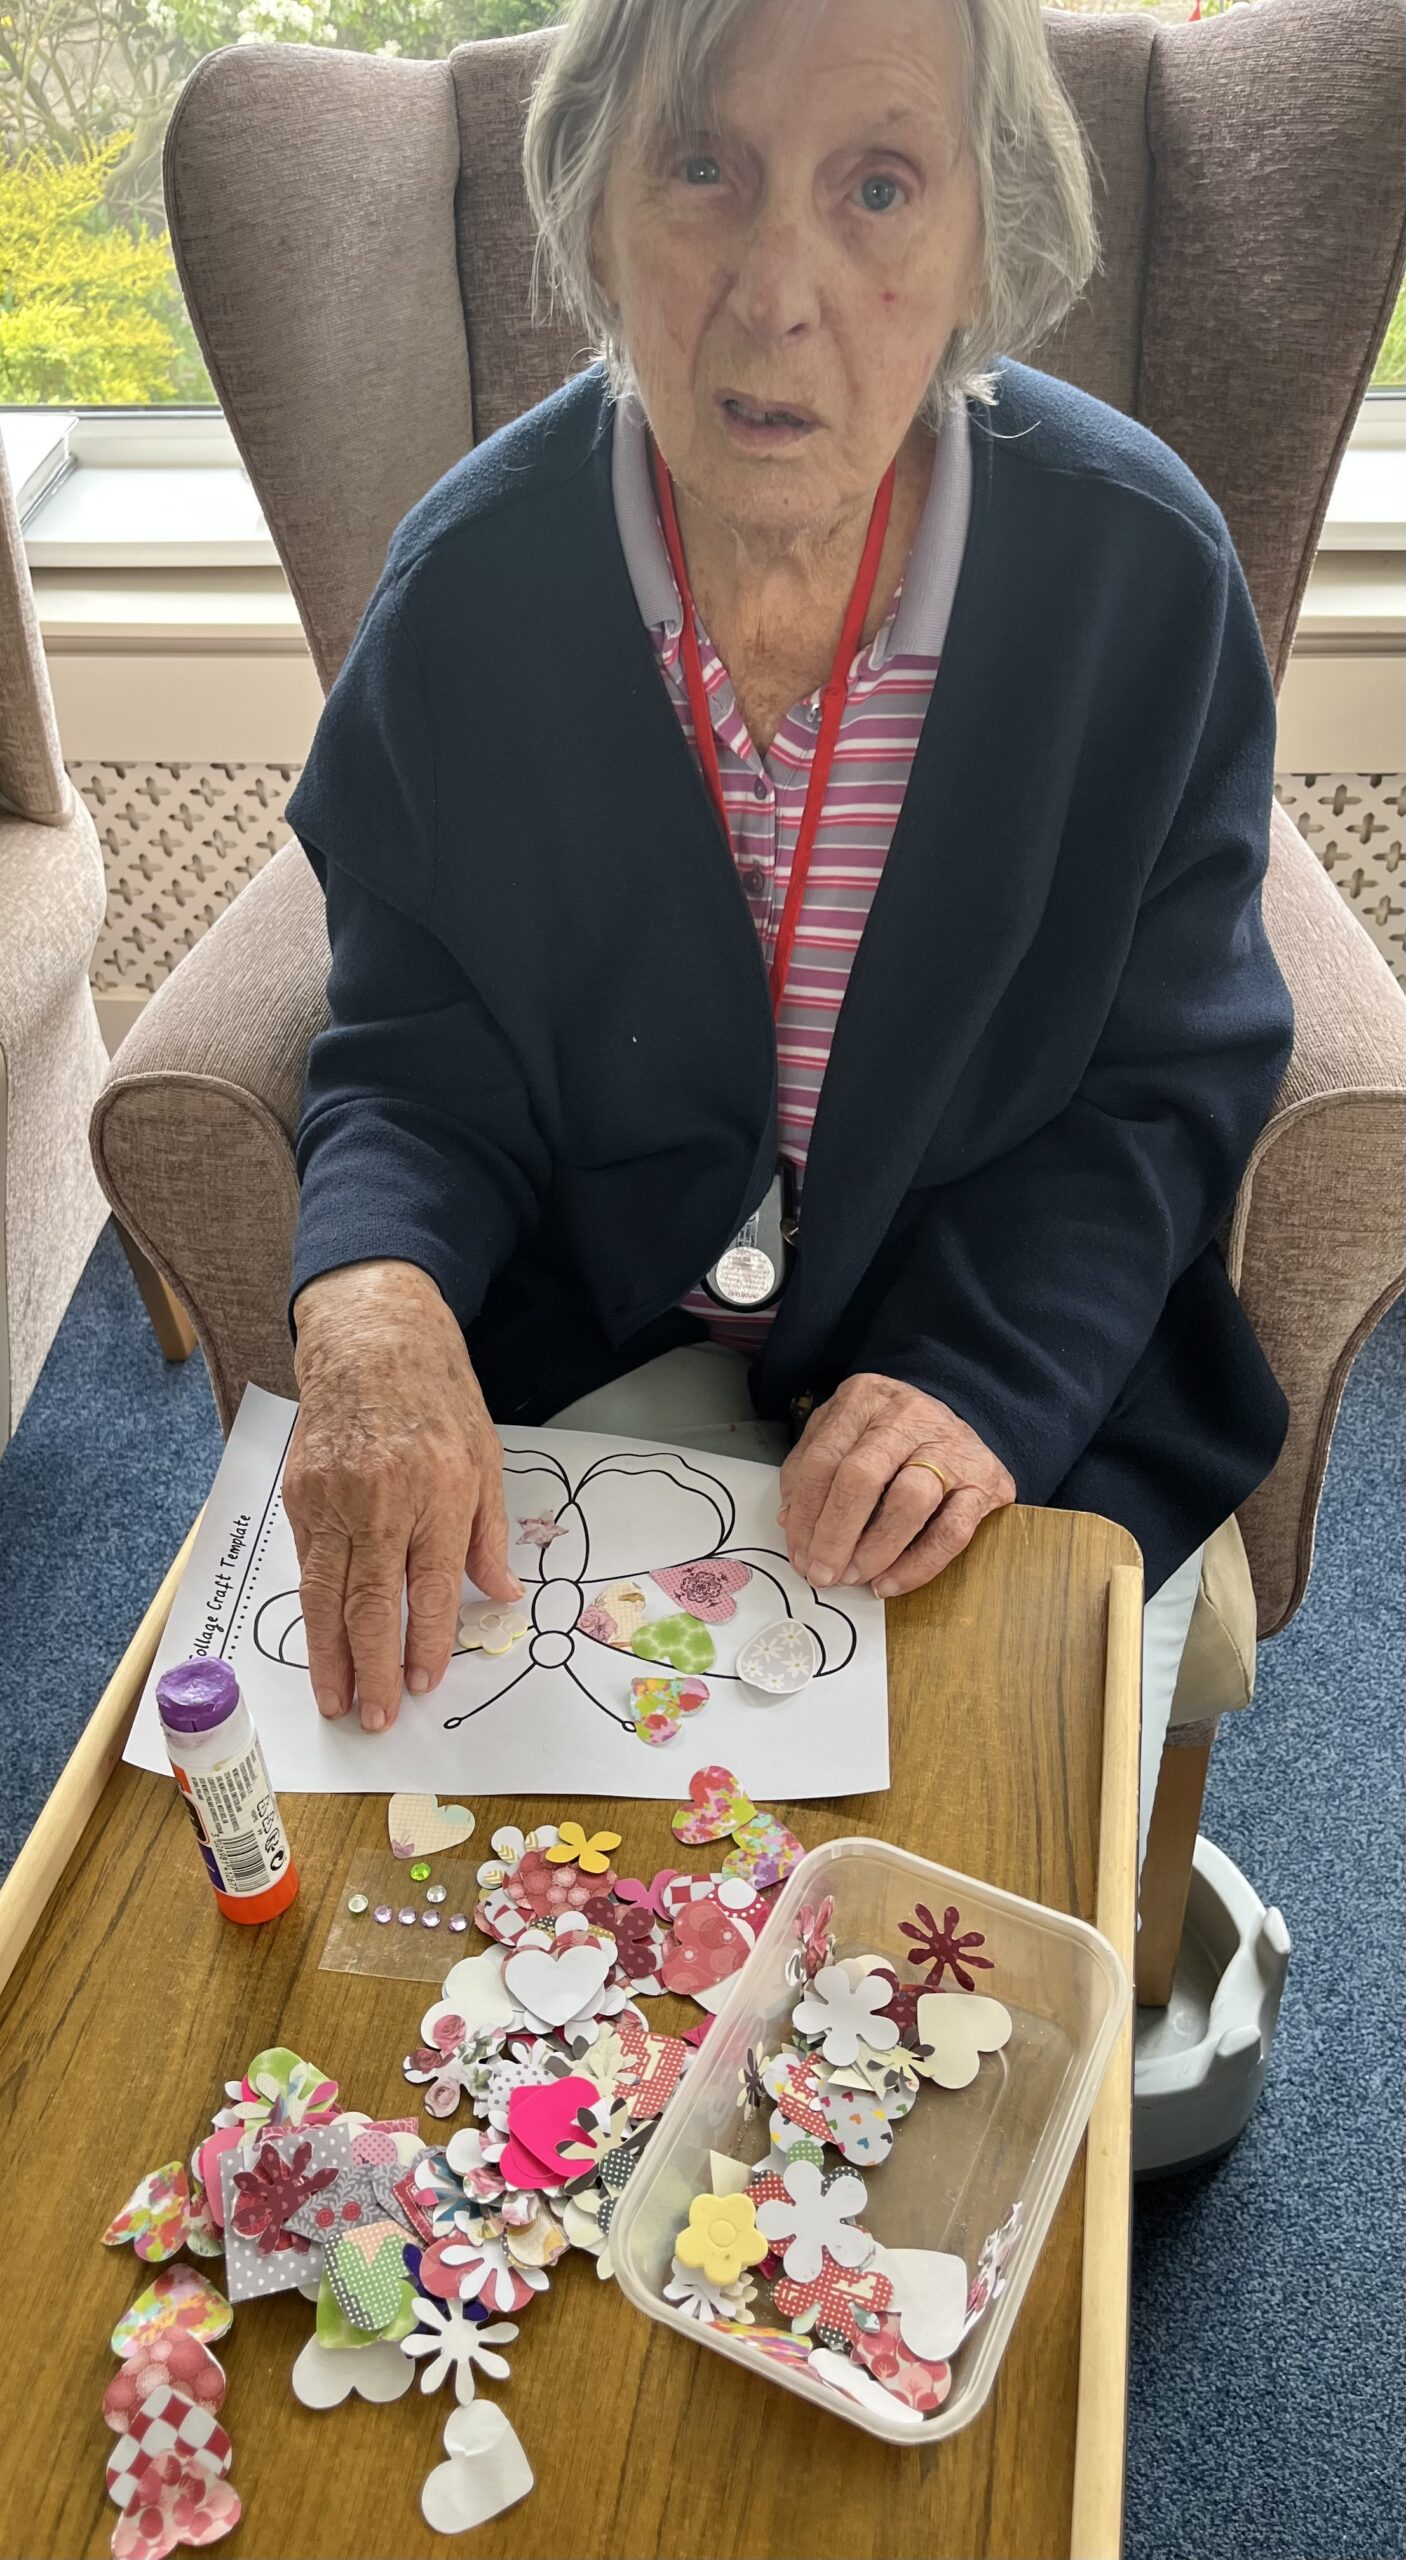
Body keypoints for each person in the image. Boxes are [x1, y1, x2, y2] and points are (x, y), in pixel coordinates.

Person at [279, 0, 1293, 1867]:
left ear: (992, 237)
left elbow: (1162, 1082)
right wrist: (371, 1290)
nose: (773, 293)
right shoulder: (469, 589)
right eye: (699, 168)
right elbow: (416, 1044)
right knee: (474, 1946)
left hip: (983, 1333)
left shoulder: (1136, 578)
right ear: (592, 210)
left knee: (943, 1947)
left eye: (879, 186)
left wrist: (979, 1376)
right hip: (587, 1325)